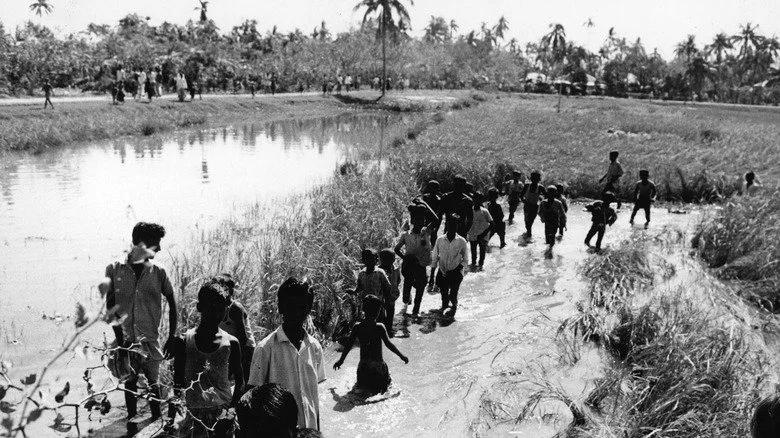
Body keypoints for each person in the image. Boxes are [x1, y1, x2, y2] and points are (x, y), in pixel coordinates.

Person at [98, 222, 177, 429]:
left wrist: (171, 337)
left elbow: (172, 302)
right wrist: (122, 343)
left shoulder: (159, 271)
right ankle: (132, 425)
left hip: (150, 340)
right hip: (126, 340)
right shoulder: (114, 269)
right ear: (140, 244)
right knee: (130, 384)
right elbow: (111, 308)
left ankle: (156, 424)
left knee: (154, 384)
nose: (159, 248)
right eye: (155, 244)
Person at [247, 277, 326, 430]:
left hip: (309, 430)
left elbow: (314, 399)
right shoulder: (265, 348)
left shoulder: (315, 347)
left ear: (309, 309)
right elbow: (252, 398)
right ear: (281, 307)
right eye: (290, 307)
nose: (296, 313)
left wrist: (317, 432)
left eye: (302, 307)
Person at [169, 282, 243, 438]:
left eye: (220, 309)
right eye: (210, 308)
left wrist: (230, 413)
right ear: (199, 307)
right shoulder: (185, 341)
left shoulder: (231, 343)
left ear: (226, 310)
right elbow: (178, 381)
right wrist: (175, 413)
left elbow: (239, 383)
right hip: (194, 416)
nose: (215, 313)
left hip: (222, 414)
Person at [333, 295, 409, 395]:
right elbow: (389, 344)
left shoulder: (357, 327)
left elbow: (348, 345)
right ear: (378, 311)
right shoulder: (379, 327)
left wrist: (341, 360)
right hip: (378, 367)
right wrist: (401, 356)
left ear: (364, 309)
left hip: (364, 367)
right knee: (384, 390)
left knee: (360, 392)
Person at [211, 273, 255, 382]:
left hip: (246, 348)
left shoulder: (235, 308)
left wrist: (237, 359)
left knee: (244, 379)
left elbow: (243, 337)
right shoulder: (217, 308)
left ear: (230, 292)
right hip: (231, 346)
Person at [394, 205, 433, 317]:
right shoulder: (406, 235)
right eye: (417, 220)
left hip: (420, 265)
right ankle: (407, 304)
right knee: (406, 295)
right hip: (408, 266)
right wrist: (405, 257)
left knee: (420, 288)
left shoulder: (425, 233)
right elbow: (396, 249)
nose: (420, 222)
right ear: (413, 221)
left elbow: (435, 219)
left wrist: (425, 205)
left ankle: (416, 310)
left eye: (422, 220)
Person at [431, 216, 469, 318]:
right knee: (444, 297)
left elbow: (465, 260)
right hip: (443, 272)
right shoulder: (440, 240)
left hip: (456, 273)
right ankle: (444, 318)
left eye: (455, 224)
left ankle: (453, 313)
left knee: (453, 295)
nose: (452, 227)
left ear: (458, 226)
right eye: (450, 224)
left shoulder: (462, 241)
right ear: (447, 225)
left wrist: (456, 270)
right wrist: (431, 276)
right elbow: (434, 258)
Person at [354, 249, 393, 325]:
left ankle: (382, 334)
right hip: (366, 304)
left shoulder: (380, 272)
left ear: (377, 260)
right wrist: (354, 291)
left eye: (372, 259)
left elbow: (387, 287)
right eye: (367, 259)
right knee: (368, 322)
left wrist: (386, 301)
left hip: (378, 304)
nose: (370, 261)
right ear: (363, 260)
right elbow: (360, 287)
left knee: (379, 322)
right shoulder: (361, 274)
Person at [467, 192, 493, 270]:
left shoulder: (484, 211)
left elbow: (492, 224)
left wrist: (483, 234)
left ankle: (481, 266)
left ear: (482, 201)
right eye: (475, 199)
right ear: (473, 199)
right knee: (473, 252)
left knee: (482, 251)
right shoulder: (469, 210)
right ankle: (473, 266)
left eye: (479, 199)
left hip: (483, 235)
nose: (477, 201)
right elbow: (467, 222)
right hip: (472, 234)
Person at [539, 186, 567, 257]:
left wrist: (564, 223)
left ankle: (550, 252)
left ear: (555, 193)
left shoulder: (558, 203)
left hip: (555, 221)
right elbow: (539, 212)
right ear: (547, 193)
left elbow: (563, 213)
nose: (551, 194)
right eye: (549, 193)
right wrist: (542, 218)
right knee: (547, 238)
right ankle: (549, 250)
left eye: (553, 193)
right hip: (547, 222)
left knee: (552, 235)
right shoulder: (543, 202)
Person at [378, 249, 400, 336]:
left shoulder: (396, 269)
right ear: (381, 260)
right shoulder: (378, 271)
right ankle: (382, 331)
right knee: (380, 315)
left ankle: (389, 330)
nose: (390, 261)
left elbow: (398, 280)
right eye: (386, 259)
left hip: (391, 295)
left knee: (390, 314)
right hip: (381, 296)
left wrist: (394, 291)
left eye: (392, 259)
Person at [519, 171, 545, 238]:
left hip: (534, 207)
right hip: (527, 206)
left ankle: (529, 236)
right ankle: (528, 234)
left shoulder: (540, 187)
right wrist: (525, 202)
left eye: (536, 179)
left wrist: (541, 203)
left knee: (530, 222)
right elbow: (521, 196)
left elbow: (547, 197)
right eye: (533, 178)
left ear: (539, 179)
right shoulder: (527, 185)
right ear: (531, 178)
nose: (535, 180)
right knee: (526, 222)